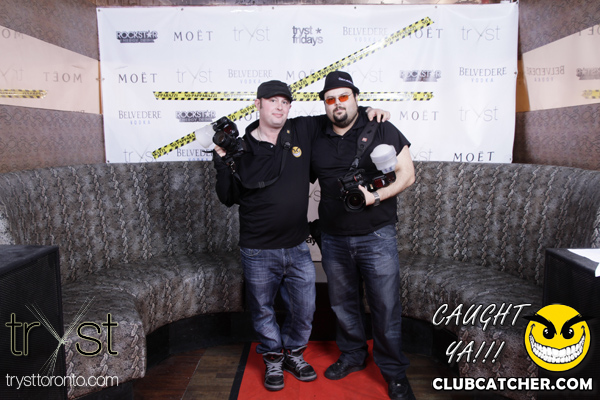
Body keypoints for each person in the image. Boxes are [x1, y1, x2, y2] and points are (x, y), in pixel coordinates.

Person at [213, 80, 389, 392]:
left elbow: (339, 114)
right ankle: (272, 357)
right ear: (258, 104)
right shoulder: (241, 147)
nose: (279, 106)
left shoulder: (301, 131)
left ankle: (294, 353)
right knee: (262, 309)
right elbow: (227, 197)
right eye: (272, 100)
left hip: (297, 246)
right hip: (257, 248)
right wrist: (223, 164)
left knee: (304, 309)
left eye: (285, 101)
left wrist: (368, 111)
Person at [310, 71, 416, 400]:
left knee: (385, 307)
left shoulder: (381, 127)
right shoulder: (315, 134)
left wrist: (376, 197)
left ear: (356, 97)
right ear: (325, 104)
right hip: (333, 236)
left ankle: (394, 372)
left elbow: (407, 174)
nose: (337, 103)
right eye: (330, 99)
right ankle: (353, 355)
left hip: (376, 234)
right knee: (343, 304)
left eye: (344, 96)